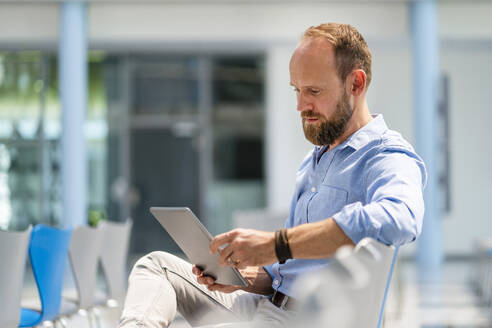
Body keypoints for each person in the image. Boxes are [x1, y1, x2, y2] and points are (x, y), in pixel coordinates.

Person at [119, 23, 426, 328]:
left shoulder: (386, 156)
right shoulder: (314, 161)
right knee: (156, 265)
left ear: (356, 84)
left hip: (307, 320)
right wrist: (249, 277)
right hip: (266, 305)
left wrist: (277, 244)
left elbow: (400, 218)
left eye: (314, 91)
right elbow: (293, 269)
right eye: (297, 90)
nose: (300, 105)